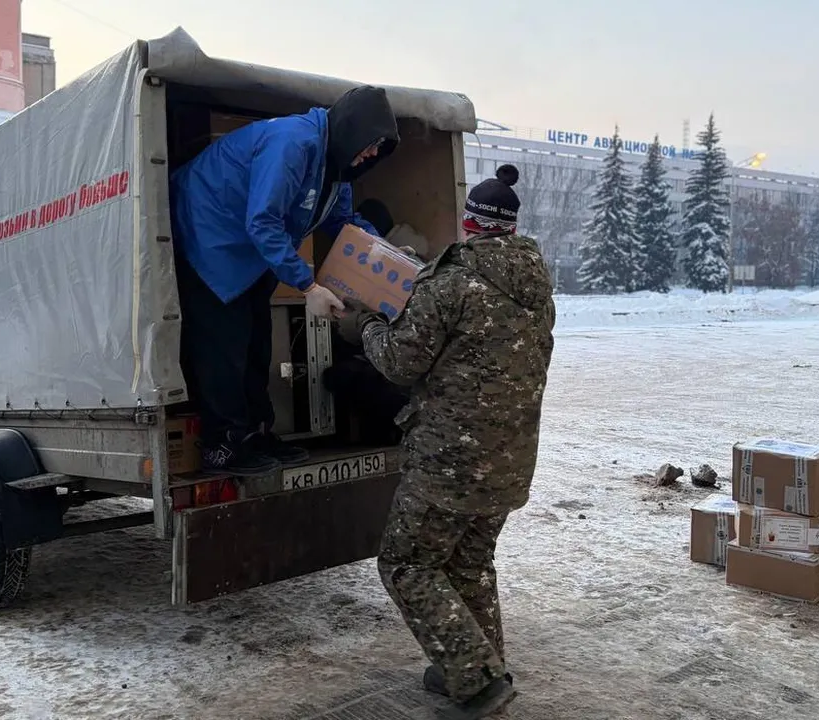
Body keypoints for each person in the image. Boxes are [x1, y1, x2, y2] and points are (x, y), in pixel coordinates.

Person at [336, 164, 555, 720]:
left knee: (405, 563)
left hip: (448, 461)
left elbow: (398, 361)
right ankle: (481, 664)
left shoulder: (452, 283)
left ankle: (478, 683)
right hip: (509, 460)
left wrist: (364, 324)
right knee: (469, 563)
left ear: (469, 223)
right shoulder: (537, 289)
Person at [170, 85, 400, 476]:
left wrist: (386, 253)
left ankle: (256, 433)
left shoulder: (337, 166)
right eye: (372, 143)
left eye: (380, 146)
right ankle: (223, 444)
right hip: (211, 238)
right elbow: (262, 221)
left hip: (251, 252)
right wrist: (307, 285)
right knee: (225, 348)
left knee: (258, 344)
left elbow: (341, 223)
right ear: (351, 129)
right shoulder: (293, 144)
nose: (373, 153)